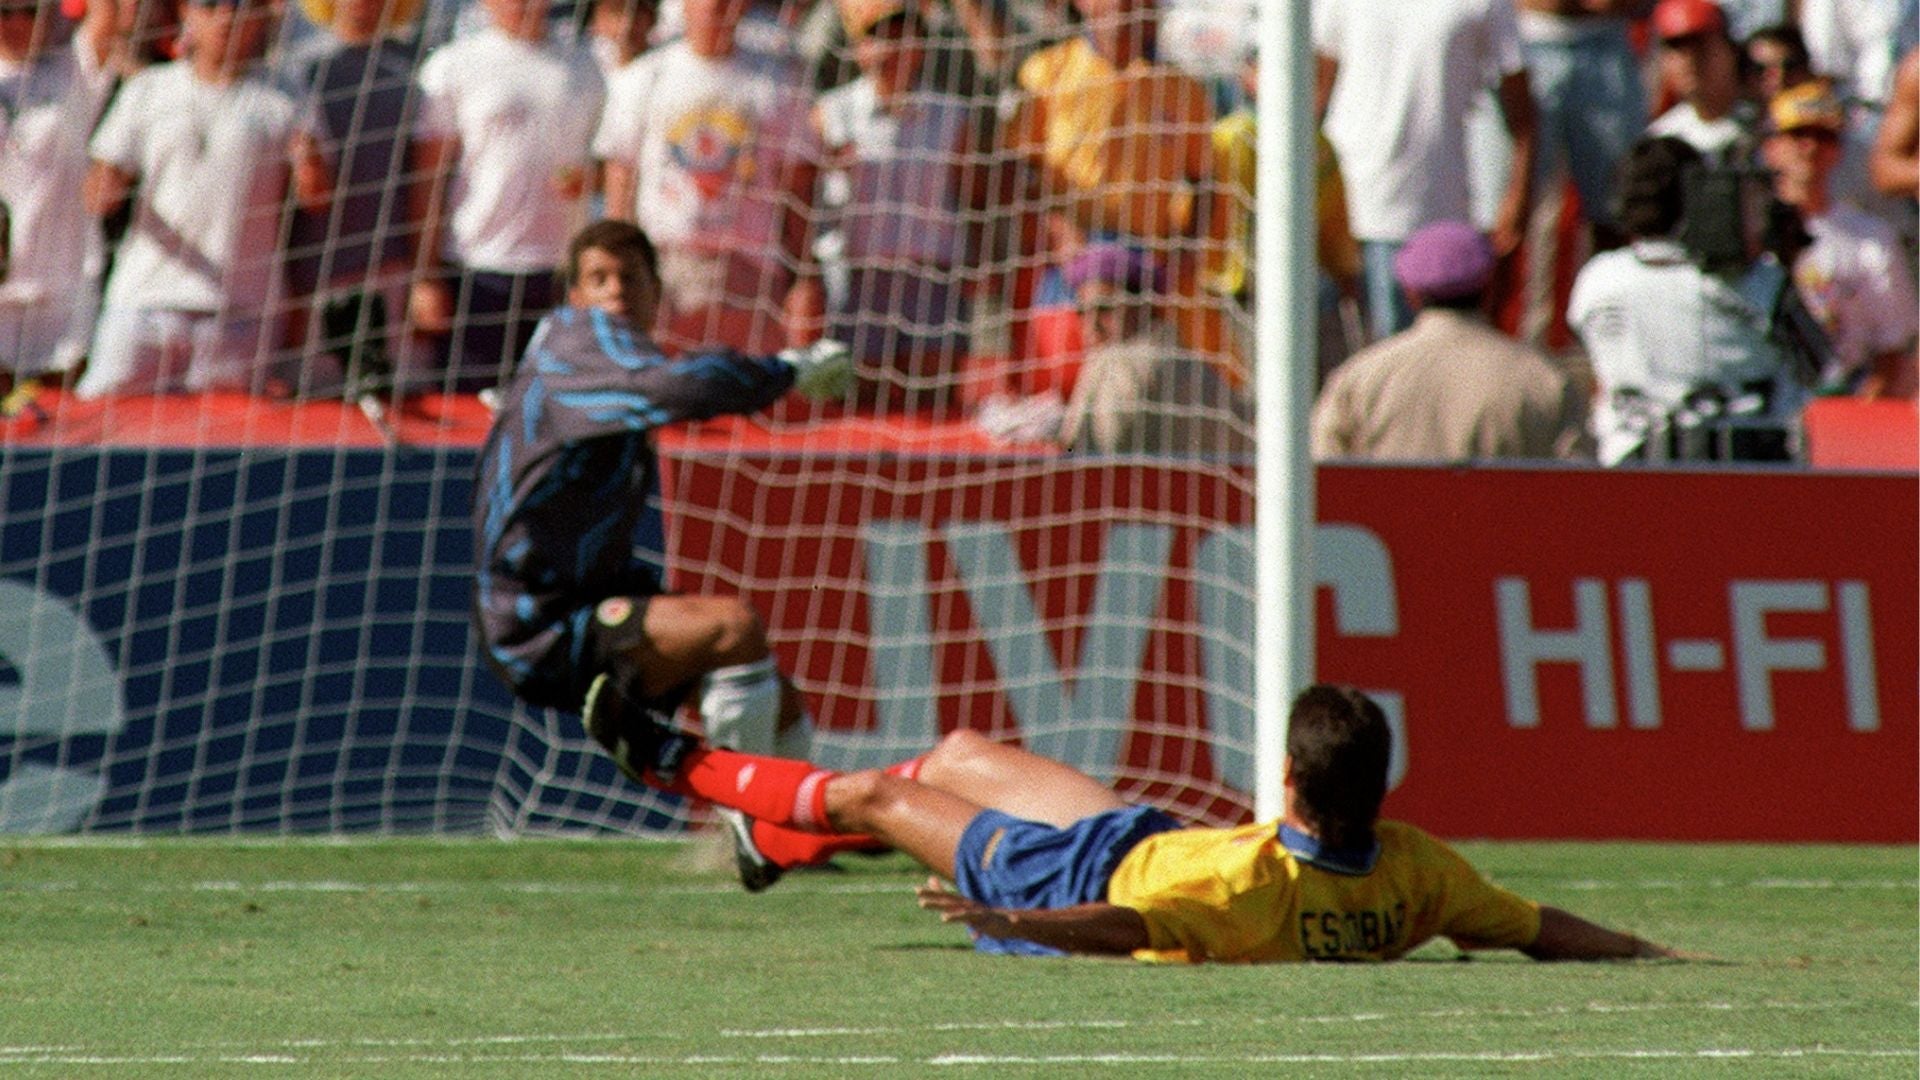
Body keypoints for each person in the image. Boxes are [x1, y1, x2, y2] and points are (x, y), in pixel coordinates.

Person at [581, 679, 1678, 962]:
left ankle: (681, 763)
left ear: (1287, 779)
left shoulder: (1242, 890)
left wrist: (1010, 919)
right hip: (1137, 835)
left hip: (1064, 877)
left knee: (875, 795)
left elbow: (1126, 924)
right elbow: (1536, 927)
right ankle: (772, 840)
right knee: (959, 753)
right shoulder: (1418, 870)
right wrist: (1644, 950)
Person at [473, 221, 852, 788]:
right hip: (539, 621)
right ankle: (749, 819)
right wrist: (788, 370)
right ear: (575, 296)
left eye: (630, 277)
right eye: (599, 278)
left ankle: (784, 819)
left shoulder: (605, 361)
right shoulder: (576, 342)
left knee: (780, 700)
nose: (616, 291)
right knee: (731, 628)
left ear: (657, 292)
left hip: (593, 595)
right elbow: (681, 389)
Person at [79, 0, 312, 397]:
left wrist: (308, 158)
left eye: (242, 6)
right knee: (103, 421)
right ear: (186, 12)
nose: (226, 17)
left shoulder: (288, 92)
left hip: (241, 314)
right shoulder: (148, 88)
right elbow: (97, 198)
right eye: (211, 5)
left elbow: (317, 200)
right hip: (143, 305)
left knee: (231, 433)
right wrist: (109, 182)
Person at [592, 0, 822, 358]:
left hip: (748, 265)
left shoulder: (777, 81)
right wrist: (619, 265)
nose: (716, 9)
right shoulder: (642, 78)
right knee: (663, 381)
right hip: (664, 262)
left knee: (747, 385)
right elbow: (620, 179)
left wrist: (804, 275)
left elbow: (797, 185)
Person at [1567, 135, 1810, 464]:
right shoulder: (1760, 281)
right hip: (1748, 471)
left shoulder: (1597, 279)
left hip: (1631, 471)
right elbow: (1820, 368)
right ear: (1702, 195)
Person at [410, 0, 605, 393]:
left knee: (555, 410)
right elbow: (426, 179)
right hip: (477, 269)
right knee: (473, 410)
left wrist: (591, 177)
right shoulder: (452, 64)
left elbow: (610, 165)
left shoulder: (587, 65)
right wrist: (425, 277)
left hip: (562, 275)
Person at [1313, 0, 1537, 341]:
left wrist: (1517, 193)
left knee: (1413, 351)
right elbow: (1316, 87)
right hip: (1341, 202)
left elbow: (1521, 106)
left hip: (1437, 210)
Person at [812, 0, 992, 412]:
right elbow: (803, 195)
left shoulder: (952, 117)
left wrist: (977, 266)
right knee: (858, 404)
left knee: (933, 405)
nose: (891, 49)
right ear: (858, 49)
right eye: (878, 38)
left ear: (921, 48)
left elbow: (975, 200)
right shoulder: (829, 114)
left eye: (902, 37)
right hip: (857, 282)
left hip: (931, 278)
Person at [1312, 220, 1589, 462]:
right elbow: (1579, 481)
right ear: (1490, 287)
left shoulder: (1360, 379)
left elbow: (1323, 474)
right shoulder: (1545, 380)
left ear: (1411, 294)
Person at [282, 0, 425, 399]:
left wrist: (423, 277)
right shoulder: (298, 69)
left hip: (394, 269)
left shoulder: (419, 67)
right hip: (315, 272)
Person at [1761, 81, 1918, 397]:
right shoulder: (1748, 235)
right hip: (1763, 393)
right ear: (1771, 147)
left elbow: (1894, 345)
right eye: (1797, 134)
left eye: (1823, 136)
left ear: (1838, 149)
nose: (1810, 147)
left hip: (1843, 394)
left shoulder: (1871, 237)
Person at [0, 0, 118, 396]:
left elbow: (106, 14)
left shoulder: (75, 70)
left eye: (30, 10)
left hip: (64, 283)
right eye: (5, 11)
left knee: (64, 409)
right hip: (4, 283)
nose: (18, 21)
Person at [1054, 243, 1251, 455]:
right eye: (1082, 313)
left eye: (1105, 309)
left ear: (1144, 305)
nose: (1091, 326)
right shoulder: (1188, 361)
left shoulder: (1121, 362)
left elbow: (1093, 457)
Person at [1645, 0, 1756, 163]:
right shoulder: (1661, 139)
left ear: (1731, 50)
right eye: (1677, 48)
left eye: (1700, 46)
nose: (1690, 60)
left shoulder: (1768, 123)